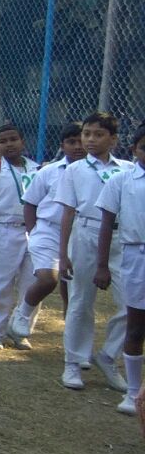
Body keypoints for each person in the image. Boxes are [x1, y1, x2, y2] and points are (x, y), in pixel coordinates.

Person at [56, 112, 131, 393]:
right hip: (86, 232)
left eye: (98, 134)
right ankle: (73, 362)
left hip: (121, 237)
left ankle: (109, 355)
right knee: (80, 301)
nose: (90, 139)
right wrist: (63, 253)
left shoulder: (127, 169)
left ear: (113, 139)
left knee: (133, 303)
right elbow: (67, 212)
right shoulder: (74, 170)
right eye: (86, 133)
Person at [10, 124, 84, 340]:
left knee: (72, 291)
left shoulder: (96, 173)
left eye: (81, 141)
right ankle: (22, 312)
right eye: (71, 142)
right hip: (48, 230)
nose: (77, 146)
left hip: (80, 233)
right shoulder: (49, 172)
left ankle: (73, 338)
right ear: (62, 145)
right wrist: (33, 232)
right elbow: (30, 203)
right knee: (47, 279)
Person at [93, 124, 145, 416]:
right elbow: (106, 225)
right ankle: (133, 392)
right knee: (136, 326)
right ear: (134, 149)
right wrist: (102, 265)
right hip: (136, 255)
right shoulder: (121, 180)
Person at [0, 123, 40, 350]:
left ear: (23, 141)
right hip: (3, 229)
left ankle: (21, 329)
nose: (9, 144)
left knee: (31, 283)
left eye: (13, 139)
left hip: (33, 231)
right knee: (1, 282)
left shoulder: (36, 170)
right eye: (3, 141)